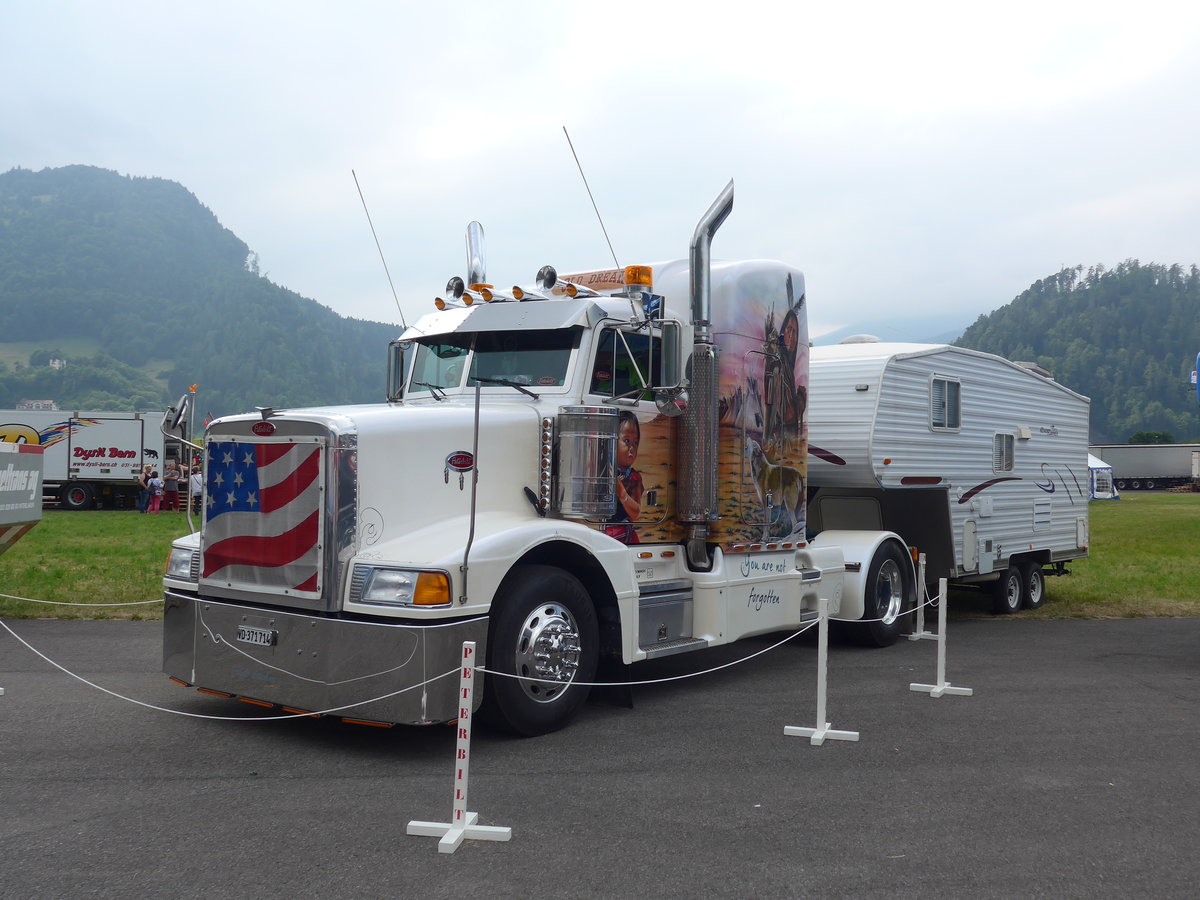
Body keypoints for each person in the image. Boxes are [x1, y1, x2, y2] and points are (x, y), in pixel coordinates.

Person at [604, 411, 644, 544]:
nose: (632, 447)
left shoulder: (634, 477)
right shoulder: (602, 471)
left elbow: (636, 513)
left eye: (636, 442)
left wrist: (622, 494)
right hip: (604, 533)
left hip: (625, 535)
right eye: (626, 441)